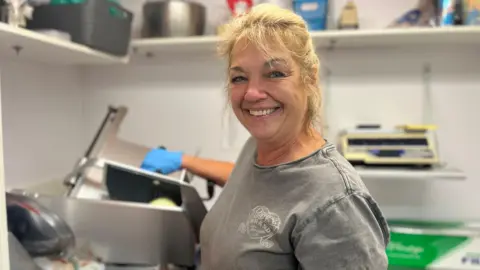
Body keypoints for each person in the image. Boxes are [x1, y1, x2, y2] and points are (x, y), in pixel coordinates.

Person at [141, 3, 390, 269]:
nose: (252, 93)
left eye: (275, 74)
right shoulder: (257, 148)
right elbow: (261, 187)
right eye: (239, 78)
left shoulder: (337, 204)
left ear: (310, 78)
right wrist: (184, 160)